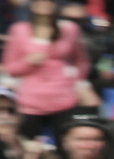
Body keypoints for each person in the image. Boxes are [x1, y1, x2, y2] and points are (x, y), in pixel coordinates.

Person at [3, 0, 94, 141]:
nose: (44, 4)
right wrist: (28, 62)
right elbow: (10, 67)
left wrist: (78, 82)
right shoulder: (19, 30)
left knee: (67, 143)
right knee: (26, 143)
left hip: (64, 98)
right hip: (29, 101)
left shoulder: (70, 29)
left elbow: (81, 60)